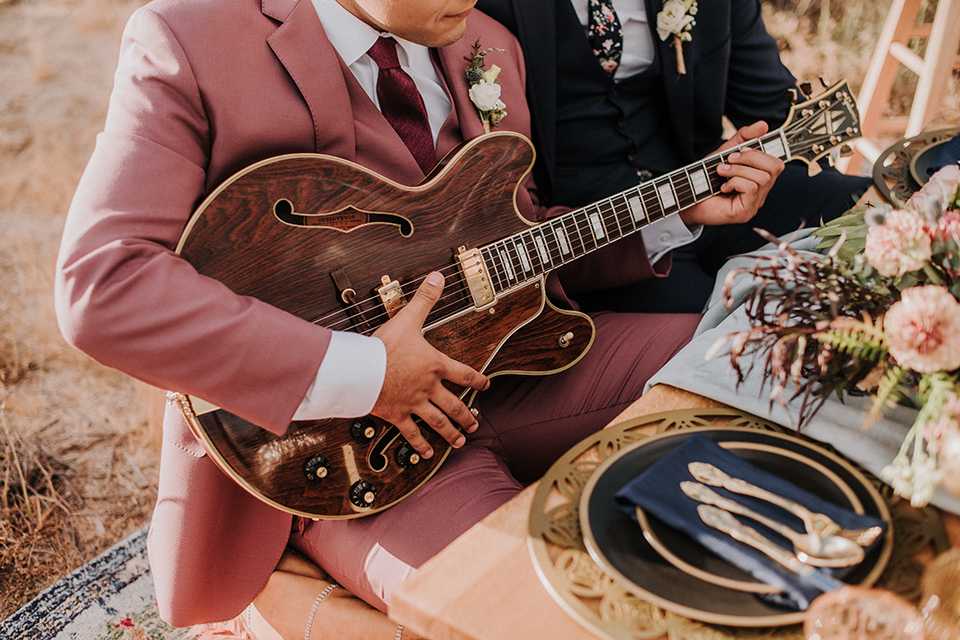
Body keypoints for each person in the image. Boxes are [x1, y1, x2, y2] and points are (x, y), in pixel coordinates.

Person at [54, 0, 782, 636]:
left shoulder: (485, 41)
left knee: (758, 360)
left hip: (512, 372)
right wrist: (368, 375)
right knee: (523, 605)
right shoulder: (188, 38)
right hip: (337, 453)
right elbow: (104, 285)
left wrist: (670, 212)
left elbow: (519, 234)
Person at [476, 0, 874, 313]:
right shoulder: (480, 8)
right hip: (598, 238)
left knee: (873, 217)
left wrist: (773, 156)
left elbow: (770, 107)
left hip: (709, 181)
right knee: (721, 335)